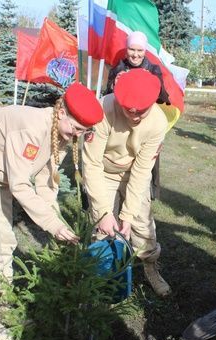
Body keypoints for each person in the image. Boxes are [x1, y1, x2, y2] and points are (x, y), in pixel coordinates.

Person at [0, 83, 104, 340]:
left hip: (0, 176)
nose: (78, 135)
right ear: (62, 111)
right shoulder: (31, 129)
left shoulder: (62, 133)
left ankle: (3, 300)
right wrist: (51, 225)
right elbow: (21, 184)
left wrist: (55, 219)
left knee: (6, 241)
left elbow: (47, 181)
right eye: (76, 128)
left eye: (83, 131)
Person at [83, 68, 171, 297]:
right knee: (103, 226)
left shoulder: (158, 122)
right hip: (104, 171)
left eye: (140, 112)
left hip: (134, 172)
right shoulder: (103, 108)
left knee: (142, 223)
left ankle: (151, 267)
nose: (133, 116)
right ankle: (104, 273)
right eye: (128, 110)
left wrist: (128, 215)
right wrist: (104, 212)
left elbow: (142, 171)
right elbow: (91, 164)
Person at [104, 31, 170, 201]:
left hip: (146, 121)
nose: (135, 54)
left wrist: (152, 84)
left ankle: (151, 190)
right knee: (124, 151)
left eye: (140, 50)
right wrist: (115, 84)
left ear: (145, 51)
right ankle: (117, 187)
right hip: (123, 121)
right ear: (126, 50)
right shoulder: (118, 67)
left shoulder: (153, 69)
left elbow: (163, 97)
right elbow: (107, 95)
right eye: (132, 50)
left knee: (149, 157)